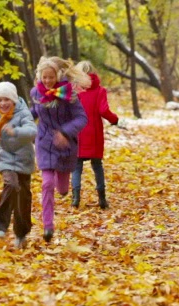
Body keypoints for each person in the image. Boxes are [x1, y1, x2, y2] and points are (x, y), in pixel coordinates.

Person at [29, 56, 90, 242]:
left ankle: (63, 185)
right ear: (40, 77)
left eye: (51, 77)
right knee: (47, 183)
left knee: (62, 189)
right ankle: (48, 226)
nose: (47, 81)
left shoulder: (69, 95)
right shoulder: (36, 94)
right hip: (45, 142)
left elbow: (82, 118)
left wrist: (65, 132)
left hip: (65, 146)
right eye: (44, 77)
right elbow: (33, 112)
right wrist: (17, 120)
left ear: (57, 76)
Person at [0, 82, 37, 249]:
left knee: (24, 197)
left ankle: (21, 233)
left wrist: (16, 131)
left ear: (13, 100)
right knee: (11, 184)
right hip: (5, 157)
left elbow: (32, 131)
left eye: (6, 99)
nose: (3, 103)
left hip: (24, 159)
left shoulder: (23, 113)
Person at [71, 61, 119, 209]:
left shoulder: (74, 91)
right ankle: (102, 198)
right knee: (97, 166)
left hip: (77, 133)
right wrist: (114, 119)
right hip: (94, 134)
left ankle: (76, 198)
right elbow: (104, 110)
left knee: (76, 166)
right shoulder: (100, 90)